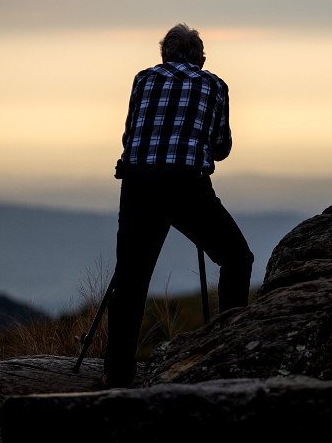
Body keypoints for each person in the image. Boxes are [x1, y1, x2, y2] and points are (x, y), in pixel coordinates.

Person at [102, 23, 253, 388]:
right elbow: (221, 146)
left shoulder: (143, 79)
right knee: (236, 259)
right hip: (188, 186)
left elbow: (129, 135)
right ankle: (228, 353)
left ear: (163, 56)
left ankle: (118, 374)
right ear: (201, 58)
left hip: (139, 183)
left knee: (132, 278)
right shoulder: (215, 85)